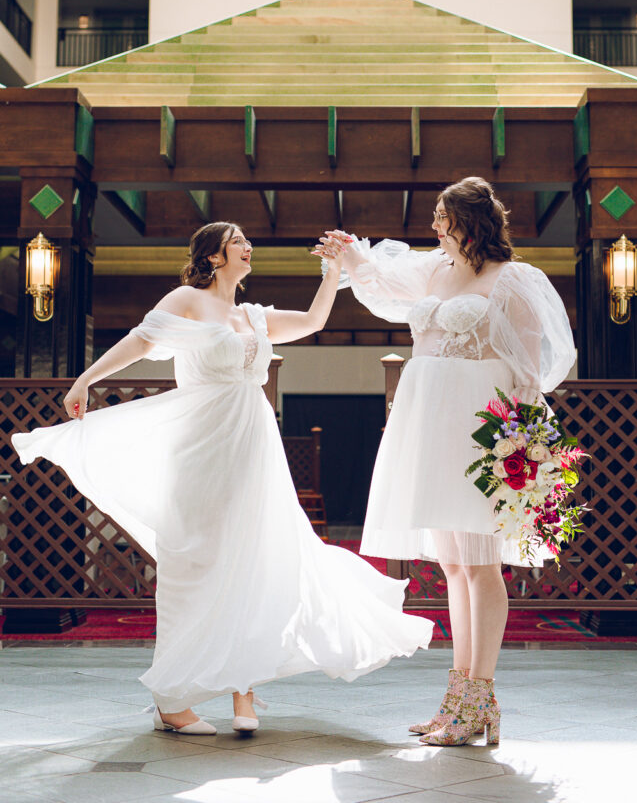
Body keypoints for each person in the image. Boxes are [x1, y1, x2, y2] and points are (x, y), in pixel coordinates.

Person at [12, 221, 432, 736]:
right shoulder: (187, 299)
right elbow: (140, 343)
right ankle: (172, 699)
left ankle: (244, 689)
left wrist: (334, 272)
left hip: (253, 444)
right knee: (196, 562)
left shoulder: (252, 316)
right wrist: (86, 378)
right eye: (237, 241)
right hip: (201, 446)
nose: (247, 246)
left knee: (255, 561)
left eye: (246, 241)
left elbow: (314, 321)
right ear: (213, 256)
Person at [318, 177, 576, 746]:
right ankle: (457, 700)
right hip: (426, 421)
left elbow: (531, 370)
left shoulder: (512, 279)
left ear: (471, 221)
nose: (435, 227)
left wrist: (524, 448)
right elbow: (380, 280)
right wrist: (349, 254)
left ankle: (480, 701)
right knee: (453, 567)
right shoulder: (434, 270)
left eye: (443, 217)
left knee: (481, 566)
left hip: (481, 424)